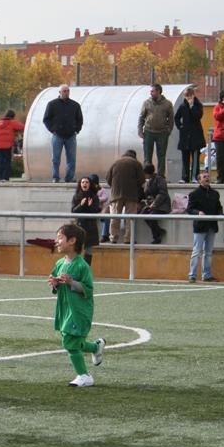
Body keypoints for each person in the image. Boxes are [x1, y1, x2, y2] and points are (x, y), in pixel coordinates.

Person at [48, 223, 105, 387]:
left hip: (78, 310)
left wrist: (72, 282)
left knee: (69, 342)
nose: (56, 241)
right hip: (65, 309)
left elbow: (88, 289)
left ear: (72, 241)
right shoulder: (60, 263)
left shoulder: (82, 266)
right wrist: (55, 283)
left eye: (60, 238)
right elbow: (56, 281)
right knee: (73, 340)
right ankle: (95, 347)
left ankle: (84, 376)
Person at [42, 84, 83, 183]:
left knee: (71, 159)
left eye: (68, 91)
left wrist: (77, 130)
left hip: (71, 136)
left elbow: (79, 119)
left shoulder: (75, 105)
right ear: (59, 92)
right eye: (64, 91)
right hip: (57, 135)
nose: (66, 93)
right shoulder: (52, 104)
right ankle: (55, 177)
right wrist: (53, 130)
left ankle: (69, 177)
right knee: (55, 158)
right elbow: (46, 119)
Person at [187, 170, 222, 282]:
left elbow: (219, 207)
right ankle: (192, 275)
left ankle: (206, 275)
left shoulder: (215, 193)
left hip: (212, 225)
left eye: (208, 176)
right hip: (200, 226)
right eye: (204, 177)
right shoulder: (194, 194)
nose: (207, 178)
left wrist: (220, 214)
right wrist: (198, 213)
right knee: (196, 251)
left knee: (208, 252)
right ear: (199, 180)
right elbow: (189, 209)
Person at [106, 149, 144, 244]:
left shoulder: (115, 163)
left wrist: (115, 187)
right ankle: (128, 239)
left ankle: (113, 238)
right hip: (131, 195)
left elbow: (108, 178)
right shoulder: (136, 164)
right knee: (130, 218)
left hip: (116, 194)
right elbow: (141, 180)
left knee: (115, 217)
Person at [137, 84, 174, 175]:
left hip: (162, 132)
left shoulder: (167, 104)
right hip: (149, 132)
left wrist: (168, 130)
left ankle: (160, 175)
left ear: (158, 92)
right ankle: (147, 174)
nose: (151, 93)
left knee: (161, 155)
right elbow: (141, 117)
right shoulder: (147, 103)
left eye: (152, 91)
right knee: (147, 155)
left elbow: (171, 118)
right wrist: (140, 130)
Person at [174, 86, 205, 183]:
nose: (189, 98)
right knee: (185, 158)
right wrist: (180, 127)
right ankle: (185, 177)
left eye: (190, 96)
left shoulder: (198, 105)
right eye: (187, 96)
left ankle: (195, 177)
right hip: (185, 137)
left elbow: (198, 116)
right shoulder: (182, 106)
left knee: (195, 158)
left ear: (193, 95)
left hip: (196, 136)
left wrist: (192, 107)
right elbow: (176, 117)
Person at [70, 176, 101, 266]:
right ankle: (76, 268)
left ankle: (87, 269)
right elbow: (73, 211)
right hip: (79, 226)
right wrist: (81, 204)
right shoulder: (76, 196)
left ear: (90, 184)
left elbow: (96, 211)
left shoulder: (94, 196)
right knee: (77, 249)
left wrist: (91, 205)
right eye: (83, 182)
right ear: (80, 184)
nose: (85, 184)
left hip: (90, 226)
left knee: (88, 250)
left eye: (87, 182)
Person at [140, 163, 171, 244]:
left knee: (152, 216)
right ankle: (158, 230)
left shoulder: (160, 179)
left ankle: (156, 237)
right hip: (153, 205)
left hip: (163, 205)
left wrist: (154, 204)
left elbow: (162, 194)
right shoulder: (148, 182)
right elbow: (147, 194)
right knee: (143, 213)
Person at [0, 109, 25, 182]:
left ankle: (0, 177)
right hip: (7, 145)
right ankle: (5, 177)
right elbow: (22, 127)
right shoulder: (12, 122)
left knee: (0, 161)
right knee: (7, 161)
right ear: (12, 116)